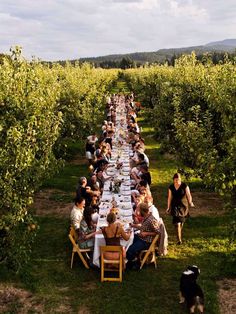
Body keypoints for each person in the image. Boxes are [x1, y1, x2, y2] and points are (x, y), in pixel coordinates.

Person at [126, 203, 160, 269]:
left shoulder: (152, 220)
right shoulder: (146, 217)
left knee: (130, 250)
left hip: (146, 242)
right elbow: (143, 226)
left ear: (142, 211)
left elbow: (158, 232)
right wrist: (133, 225)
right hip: (141, 237)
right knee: (127, 240)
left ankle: (135, 263)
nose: (137, 212)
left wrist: (146, 233)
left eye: (138, 210)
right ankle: (129, 258)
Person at [166, 173, 194, 244]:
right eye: (175, 180)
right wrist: (168, 207)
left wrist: (190, 202)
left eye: (178, 180)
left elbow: (189, 195)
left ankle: (179, 233)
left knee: (181, 222)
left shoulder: (184, 186)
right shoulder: (171, 187)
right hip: (175, 205)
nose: (176, 182)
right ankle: (179, 240)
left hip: (183, 206)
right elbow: (169, 198)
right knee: (177, 223)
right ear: (173, 180)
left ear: (180, 179)